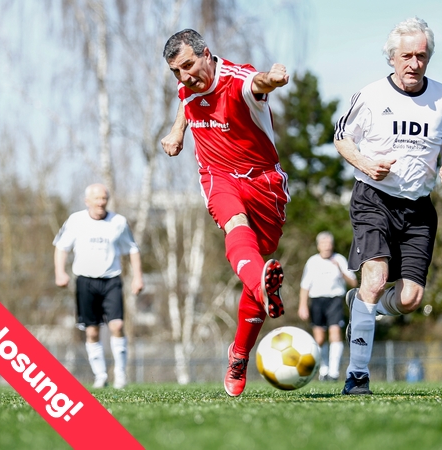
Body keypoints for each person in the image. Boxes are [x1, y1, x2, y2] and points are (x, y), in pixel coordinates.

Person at [333, 17, 442, 395]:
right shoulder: (371, 95)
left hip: (419, 207)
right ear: (391, 57)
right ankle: (357, 376)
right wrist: (366, 164)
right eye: (406, 56)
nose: (414, 64)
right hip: (374, 199)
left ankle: (361, 306)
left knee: (410, 299)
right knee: (374, 278)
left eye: (421, 56)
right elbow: (341, 139)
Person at [160, 29, 290, 397]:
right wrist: (177, 133)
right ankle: (261, 288)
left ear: (206, 54)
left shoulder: (238, 81)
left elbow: (258, 83)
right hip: (218, 177)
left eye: (187, 65)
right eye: (175, 72)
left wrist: (274, 78)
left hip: (264, 182)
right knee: (235, 225)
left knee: (258, 270)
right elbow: (186, 99)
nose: (184, 76)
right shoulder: (188, 84)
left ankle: (239, 353)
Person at [53, 183, 144, 389]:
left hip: (111, 280)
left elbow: (132, 249)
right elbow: (61, 246)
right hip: (85, 281)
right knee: (92, 331)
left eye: (104, 198)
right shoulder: (75, 221)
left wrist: (138, 277)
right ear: (88, 201)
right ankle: (100, 375)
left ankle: (120, 375)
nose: (101, 202)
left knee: (117, 325)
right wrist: (60, 272)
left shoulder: (118, 222)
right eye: (97, 199)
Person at [298, 231, 357, 382]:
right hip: (317, 301)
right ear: (318, 246)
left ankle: (334, 372)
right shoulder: (312, 262)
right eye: (323, 243)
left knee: (335, 333)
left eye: (329, 243)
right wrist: (303, 305)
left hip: (335, 300)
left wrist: (341, 270)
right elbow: (305, 286)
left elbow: (353, 283)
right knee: (319, 337)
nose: (326, 246)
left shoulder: (340, 259)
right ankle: (323, 370)